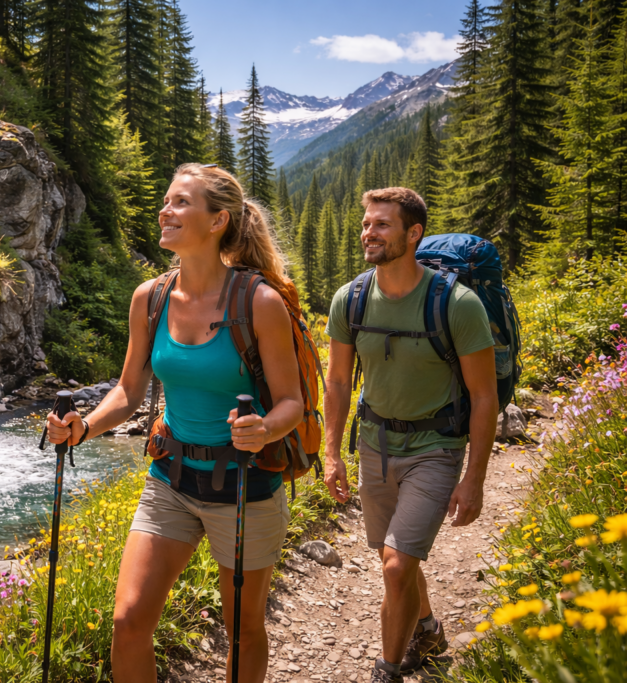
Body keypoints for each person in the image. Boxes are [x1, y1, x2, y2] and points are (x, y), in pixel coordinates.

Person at [46, 163, 305, 683]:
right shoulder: (150, 298)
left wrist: (265, 429)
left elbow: (291, 403)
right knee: (128, 620)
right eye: (166, 200)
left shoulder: (260, 302)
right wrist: (83, 428)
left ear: (218, 222)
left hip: (245, 485)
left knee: (244, 628)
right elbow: (128, 391)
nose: (165, 211)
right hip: (171, 477)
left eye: (181, 202)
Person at [320, 188, 498, 682]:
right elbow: (336, 381)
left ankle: (389, 668)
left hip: (435, 448)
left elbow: (485, 397)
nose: (367, 234)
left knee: (396, 567)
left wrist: (474, 479)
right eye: (366, 224)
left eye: (381, 225)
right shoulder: (350, 299)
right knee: (393, 555)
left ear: (413, 233)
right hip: (374, 446)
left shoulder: (457, 305)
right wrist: (331, 454)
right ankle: (427, 626)